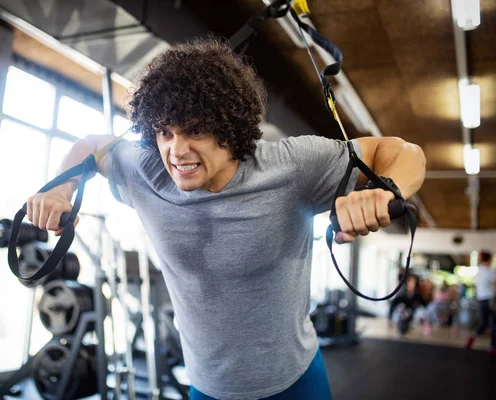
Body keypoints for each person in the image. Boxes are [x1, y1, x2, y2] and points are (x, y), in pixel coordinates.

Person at [27, 39, 426, 399]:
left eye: (194, 131)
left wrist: (386, 190)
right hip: (208, 388)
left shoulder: (291, 167)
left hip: (296, 381)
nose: (176, 151)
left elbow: (401, 150)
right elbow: (92, 146)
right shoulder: (147, 172)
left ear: (230, 126)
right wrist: (60, 189)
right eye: (164, 133)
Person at [466, 250, 496, 355]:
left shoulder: (478, 272)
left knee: (484, 323)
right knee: (494, 324)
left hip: (481, 300)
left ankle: (472, 337)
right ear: (489, 259)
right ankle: (492, 347)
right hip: (490, 301)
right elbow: (494, 286)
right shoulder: (490, 272)